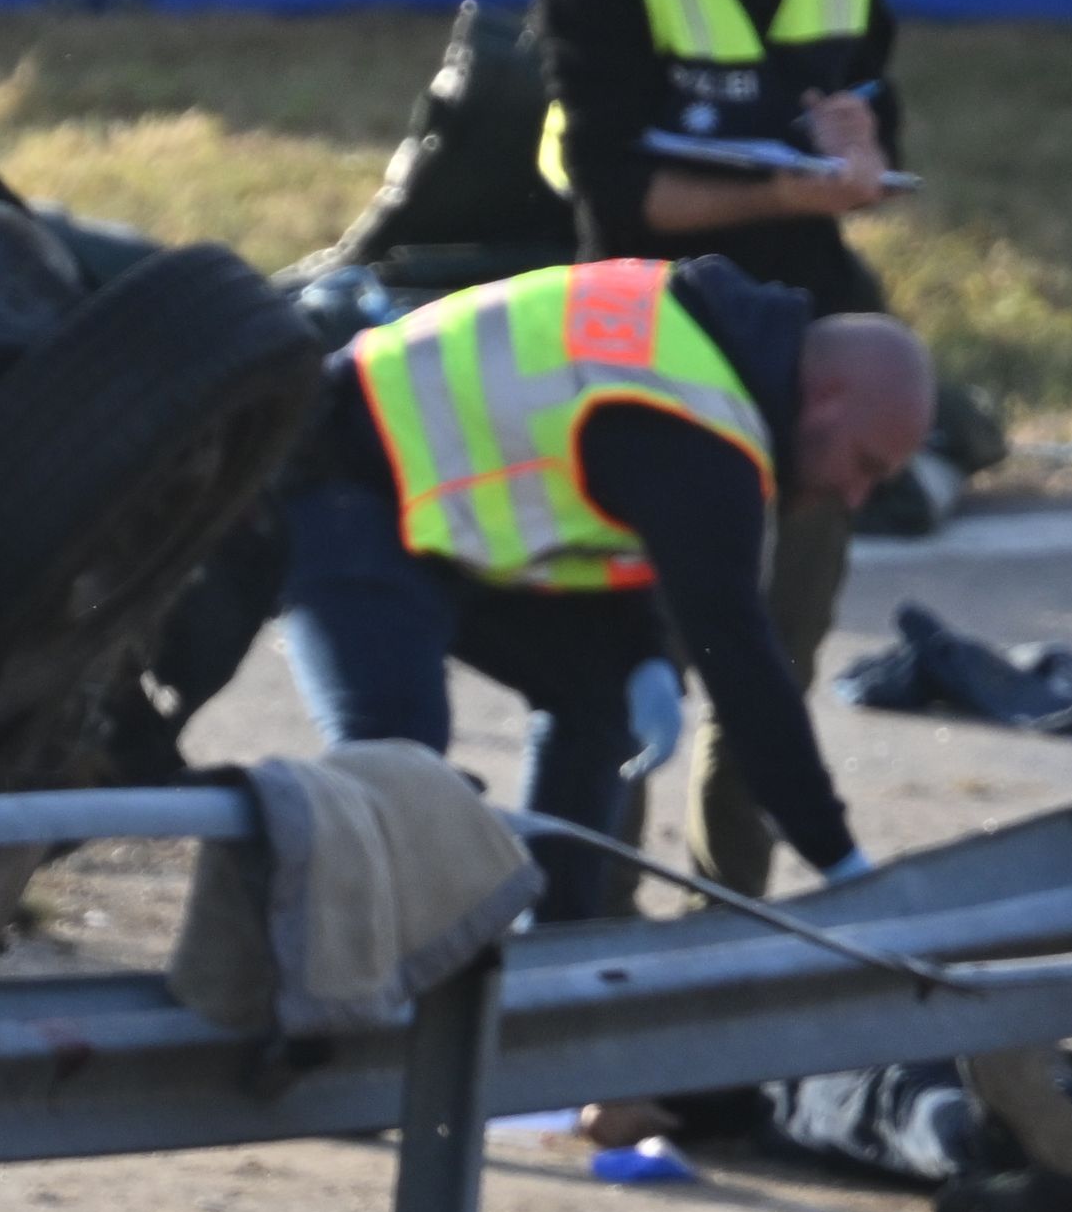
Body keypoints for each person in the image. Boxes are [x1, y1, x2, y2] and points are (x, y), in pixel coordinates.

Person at [534, 0, 916, 893]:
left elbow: (876, 130)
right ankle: (590, 929)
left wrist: (860, 154)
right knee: (628, 676)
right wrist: (793, 199)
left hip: (802, 350)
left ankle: (734, 926)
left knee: (771, 670)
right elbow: (621, 198)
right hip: (652, 356)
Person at [269, 251, 932, 916]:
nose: (854, 496)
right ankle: (339, 977)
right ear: (826, 396)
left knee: (598, 700)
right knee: (395, 757)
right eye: (864, 465)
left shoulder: (700, 347)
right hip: (338, 479)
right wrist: (838, 858)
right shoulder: (706, 432)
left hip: (428, 507)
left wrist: (641, 653)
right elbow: (740, 665)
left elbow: (617, 506)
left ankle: (554, 955)